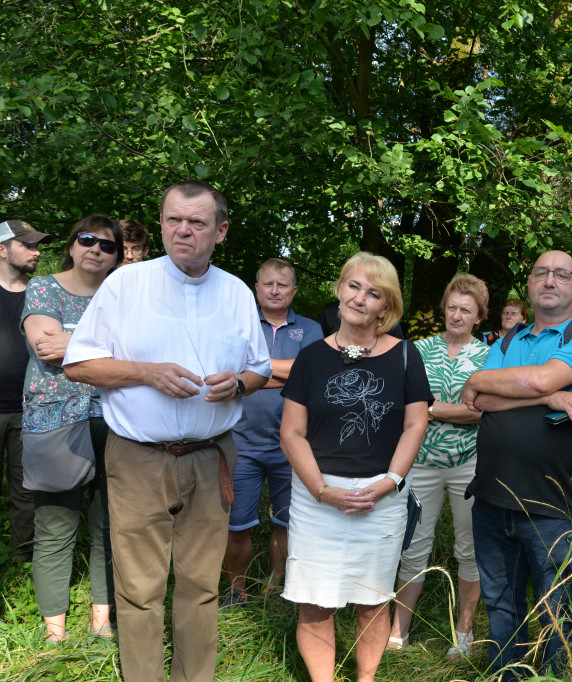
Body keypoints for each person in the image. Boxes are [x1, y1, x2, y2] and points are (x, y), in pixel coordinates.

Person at [64, 180, 272, 682]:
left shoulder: (237, 292)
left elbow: (260, 368)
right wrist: (146, 372)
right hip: (138, 457)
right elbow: (78, 364)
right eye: (173, 219)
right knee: (139, 589)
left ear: (220, 231)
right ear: (160, 224)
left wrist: (240, 383)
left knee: (201, 586)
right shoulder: (123, 285)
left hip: (211, 456)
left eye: (197, 223)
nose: (183, 231)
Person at [280, 252, 430, 682]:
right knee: (314, 602)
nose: (360, 298)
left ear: (386, 307)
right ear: (340, 290)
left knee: (373, 600)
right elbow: (291, 433)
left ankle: (366, 679)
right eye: (354, 286)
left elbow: (416, 424)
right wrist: (322, 491)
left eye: (374, 292)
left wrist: (390, 482)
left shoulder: (405, 356)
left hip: (381, 498)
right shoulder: (310, 357)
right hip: (317, 497)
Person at [462, 250, 572, 680]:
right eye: (541, 272)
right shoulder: (509, 340)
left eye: (563, 275)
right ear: (529, 285)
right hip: (492, 498)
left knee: (555, 611)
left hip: (554, 506)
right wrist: (547, 396)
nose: (550, 280)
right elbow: (481, 401)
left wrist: (496, 381)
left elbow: (534, 379)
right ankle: (508, 676)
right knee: (501, 605)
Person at [21, 216, 121, 642]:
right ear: (72, 244)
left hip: (116, 420)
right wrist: (107, 349)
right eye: (87, 240)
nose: (96, 249)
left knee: (109, 525)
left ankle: (103, 623)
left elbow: (141, 351)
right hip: (54, 420)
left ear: (117, 256)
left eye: (107, 245)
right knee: (55, 526)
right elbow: (45, 347)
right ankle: (54, 631)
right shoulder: (43, 287)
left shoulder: (122, 297)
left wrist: (72, 339)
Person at [389, 274, 490, 658]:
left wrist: (429, 409)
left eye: (466, 310)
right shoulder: (417, 350)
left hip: (470, 464)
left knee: (470, 548)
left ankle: (463, 633)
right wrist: (455, 411)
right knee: (413, 545)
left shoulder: (488, 357)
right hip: (421, 462)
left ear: (479, 316)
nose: (457, 315)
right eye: (452, 307)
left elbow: (484, 412)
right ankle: (400, 628)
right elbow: (402, 403)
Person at [221, 258, 323, 608]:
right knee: (237, 525)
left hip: (292, 444)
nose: (275, 290)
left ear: (294, 291)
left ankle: (274, 591)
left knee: (287, 523)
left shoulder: (309, 329)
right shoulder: (238, 325)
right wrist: (284, 373)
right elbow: (226, 368)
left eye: (283, 285)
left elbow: (310, 374)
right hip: (240, 441)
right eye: (268, 284)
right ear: (256, 287)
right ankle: (238, 591)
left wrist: (253, 372)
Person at [0, 220, 54, 563]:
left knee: (25, 491)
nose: (36, 252)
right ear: (2, 249)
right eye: (28, 245)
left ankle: (23, 564)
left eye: (38, 246)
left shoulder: (43, 294)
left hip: (29, 408)